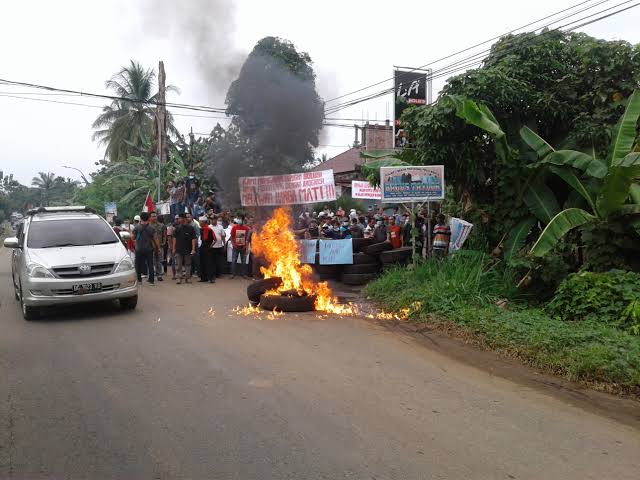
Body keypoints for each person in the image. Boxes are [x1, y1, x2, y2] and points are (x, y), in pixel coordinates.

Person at [132, 212, 158, 285]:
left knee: (138, 264)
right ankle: (151, 281)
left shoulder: (137, 227)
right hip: (149, 249)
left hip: (139, 249)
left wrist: (135, 242)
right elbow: (155, 239)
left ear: (140, 218)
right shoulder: (152, 228)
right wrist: (157, 248)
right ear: (148, 218)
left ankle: (139, 280)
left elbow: (133, 237)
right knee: (150, 264)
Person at [172, 213, 196, 284]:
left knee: (188, 264)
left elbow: (193, 239)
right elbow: (174, 239)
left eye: (179, 218)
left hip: (188, 250)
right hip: (178, 250)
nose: (178, 219)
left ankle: (187, 278)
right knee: (178, 265)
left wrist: (193, 249)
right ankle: (179, 278)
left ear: (184, 219)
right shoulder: (177, 228)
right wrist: (173, 248)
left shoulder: (191, 228)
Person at [149, 211, 166, 281]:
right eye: (152, 216)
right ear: (150, 217)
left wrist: (164, 242)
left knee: (159, 261)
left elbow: (164, 235)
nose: (154, 217)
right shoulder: (148, 226)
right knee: (151, 261)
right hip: (150, 246)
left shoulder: (161, 225)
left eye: (155, 216)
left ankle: (159, 275)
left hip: (160, 246)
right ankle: (152, 275)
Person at [209, 215, 226, 280]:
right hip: (212, 247)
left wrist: (224, 245)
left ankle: (218, 274)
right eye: (212, 219)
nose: (213, 220)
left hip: (219, 246)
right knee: (212, 261)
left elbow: (223, 236)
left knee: (218, 261)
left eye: (214, 219)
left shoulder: (220, 227)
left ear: (216, 220)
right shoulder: (209, 227)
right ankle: (212, 274)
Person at [198, 216, 215, 283]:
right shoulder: (200, 229)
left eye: (200, 221)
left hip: (208, 249)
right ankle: (203, 278)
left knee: (209, 263)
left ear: (203, 222)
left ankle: (210, 278)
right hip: (202, 248)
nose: (199, 223)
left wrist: (210, 246)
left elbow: (215, 239)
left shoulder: (209, 229)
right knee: (202, 262)